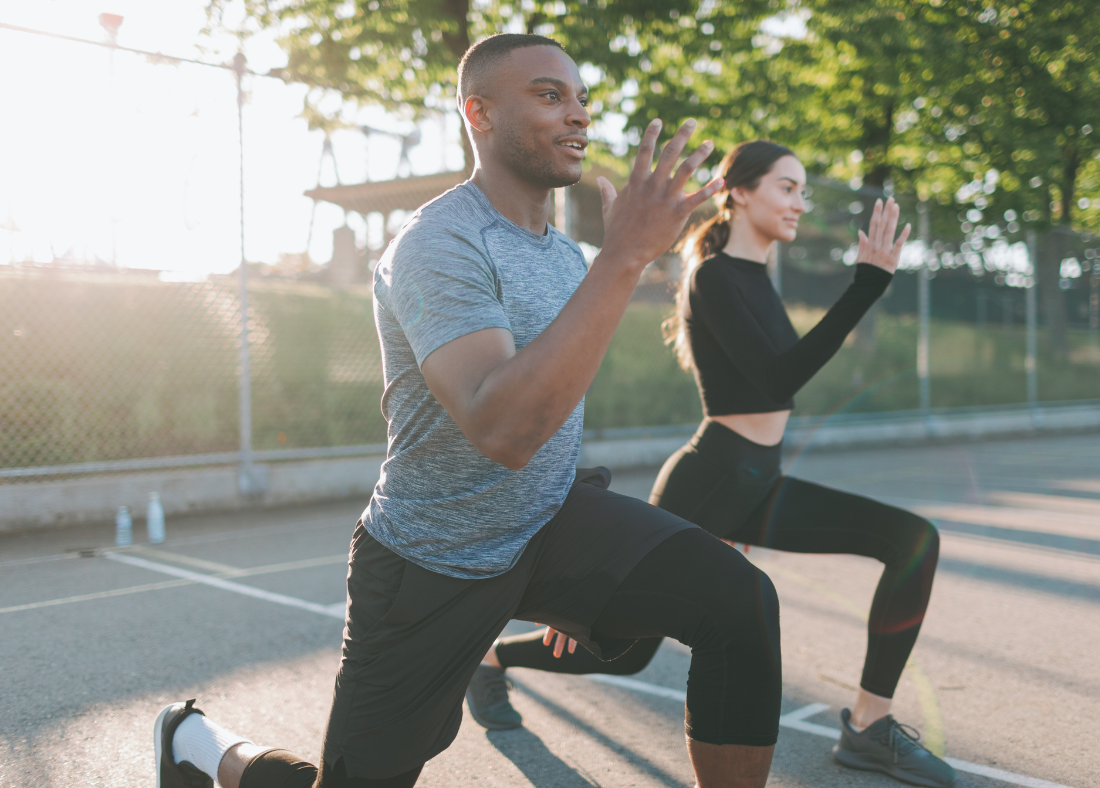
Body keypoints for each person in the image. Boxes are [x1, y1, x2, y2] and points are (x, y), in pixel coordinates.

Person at [153, 35, 784, 788]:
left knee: (739, 603)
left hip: (548, 525)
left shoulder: (561, 255)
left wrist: (586, 566)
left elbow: (553, 406)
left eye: (581, 99)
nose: (577, 114)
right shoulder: (436, 244)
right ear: (478, 113)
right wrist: (625, 259)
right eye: (550, 96)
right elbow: (502, 429)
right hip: (432, 560)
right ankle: (198, 744)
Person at [468, 141, 958, 788]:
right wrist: (866, 285)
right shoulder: (715, 277)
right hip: (709, 482)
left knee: (912, 540)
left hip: (761, 482)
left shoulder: (756, 280)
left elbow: (780, 380)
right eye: (787, 187)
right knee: (623, 652)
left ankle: (868, 726)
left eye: (803, 190)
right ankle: (493, 660)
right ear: (741, 191)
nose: (799, 203)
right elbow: (777, 379)